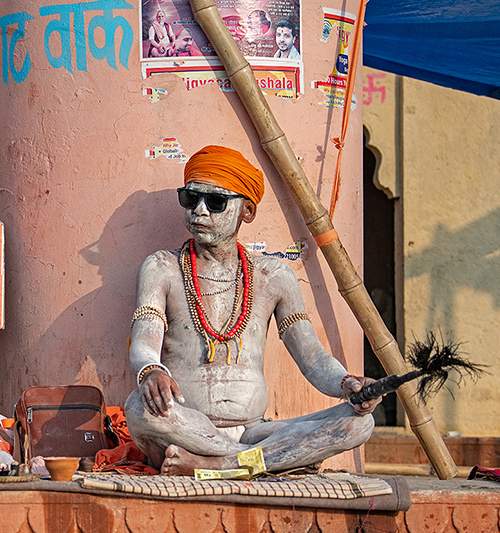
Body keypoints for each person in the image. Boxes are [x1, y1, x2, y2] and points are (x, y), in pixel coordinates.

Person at [125, 145, 380, 475]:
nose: (200, 211)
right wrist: (150, 371)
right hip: (188, 428)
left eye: (215, 202)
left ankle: (219, 466)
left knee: (359, 424)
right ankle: (260, 461)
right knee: (138, 407)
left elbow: (313, 358)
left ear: (247, 211)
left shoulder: (274, 276)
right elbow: (145, 341)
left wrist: (348, 385)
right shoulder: (162, 267)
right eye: (190, 199)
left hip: (256, 430)